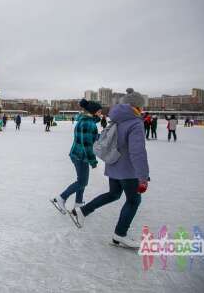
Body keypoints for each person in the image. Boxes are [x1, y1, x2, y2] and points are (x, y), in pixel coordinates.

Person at [68, 88, 150, 248]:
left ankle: (83, 211)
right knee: (133, 200)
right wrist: (143, 176)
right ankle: (120, 235)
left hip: (113, 166)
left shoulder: (117, 119)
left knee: (114, 194)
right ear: (137, 107)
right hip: (128, 170)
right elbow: (137, 152)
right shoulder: (135, 123)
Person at [50, 99, 101, 212]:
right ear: (93, 111)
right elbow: (87, 145)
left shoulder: (86, 121)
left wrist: (98, 136)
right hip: (81, 156)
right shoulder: (88, 123)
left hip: (77, 154)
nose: (101, 113)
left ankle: (78, 204)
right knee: (82, 182)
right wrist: (93, 161)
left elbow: (86, 137)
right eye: (99, 111)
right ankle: (61, 198)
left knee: (81, 180)